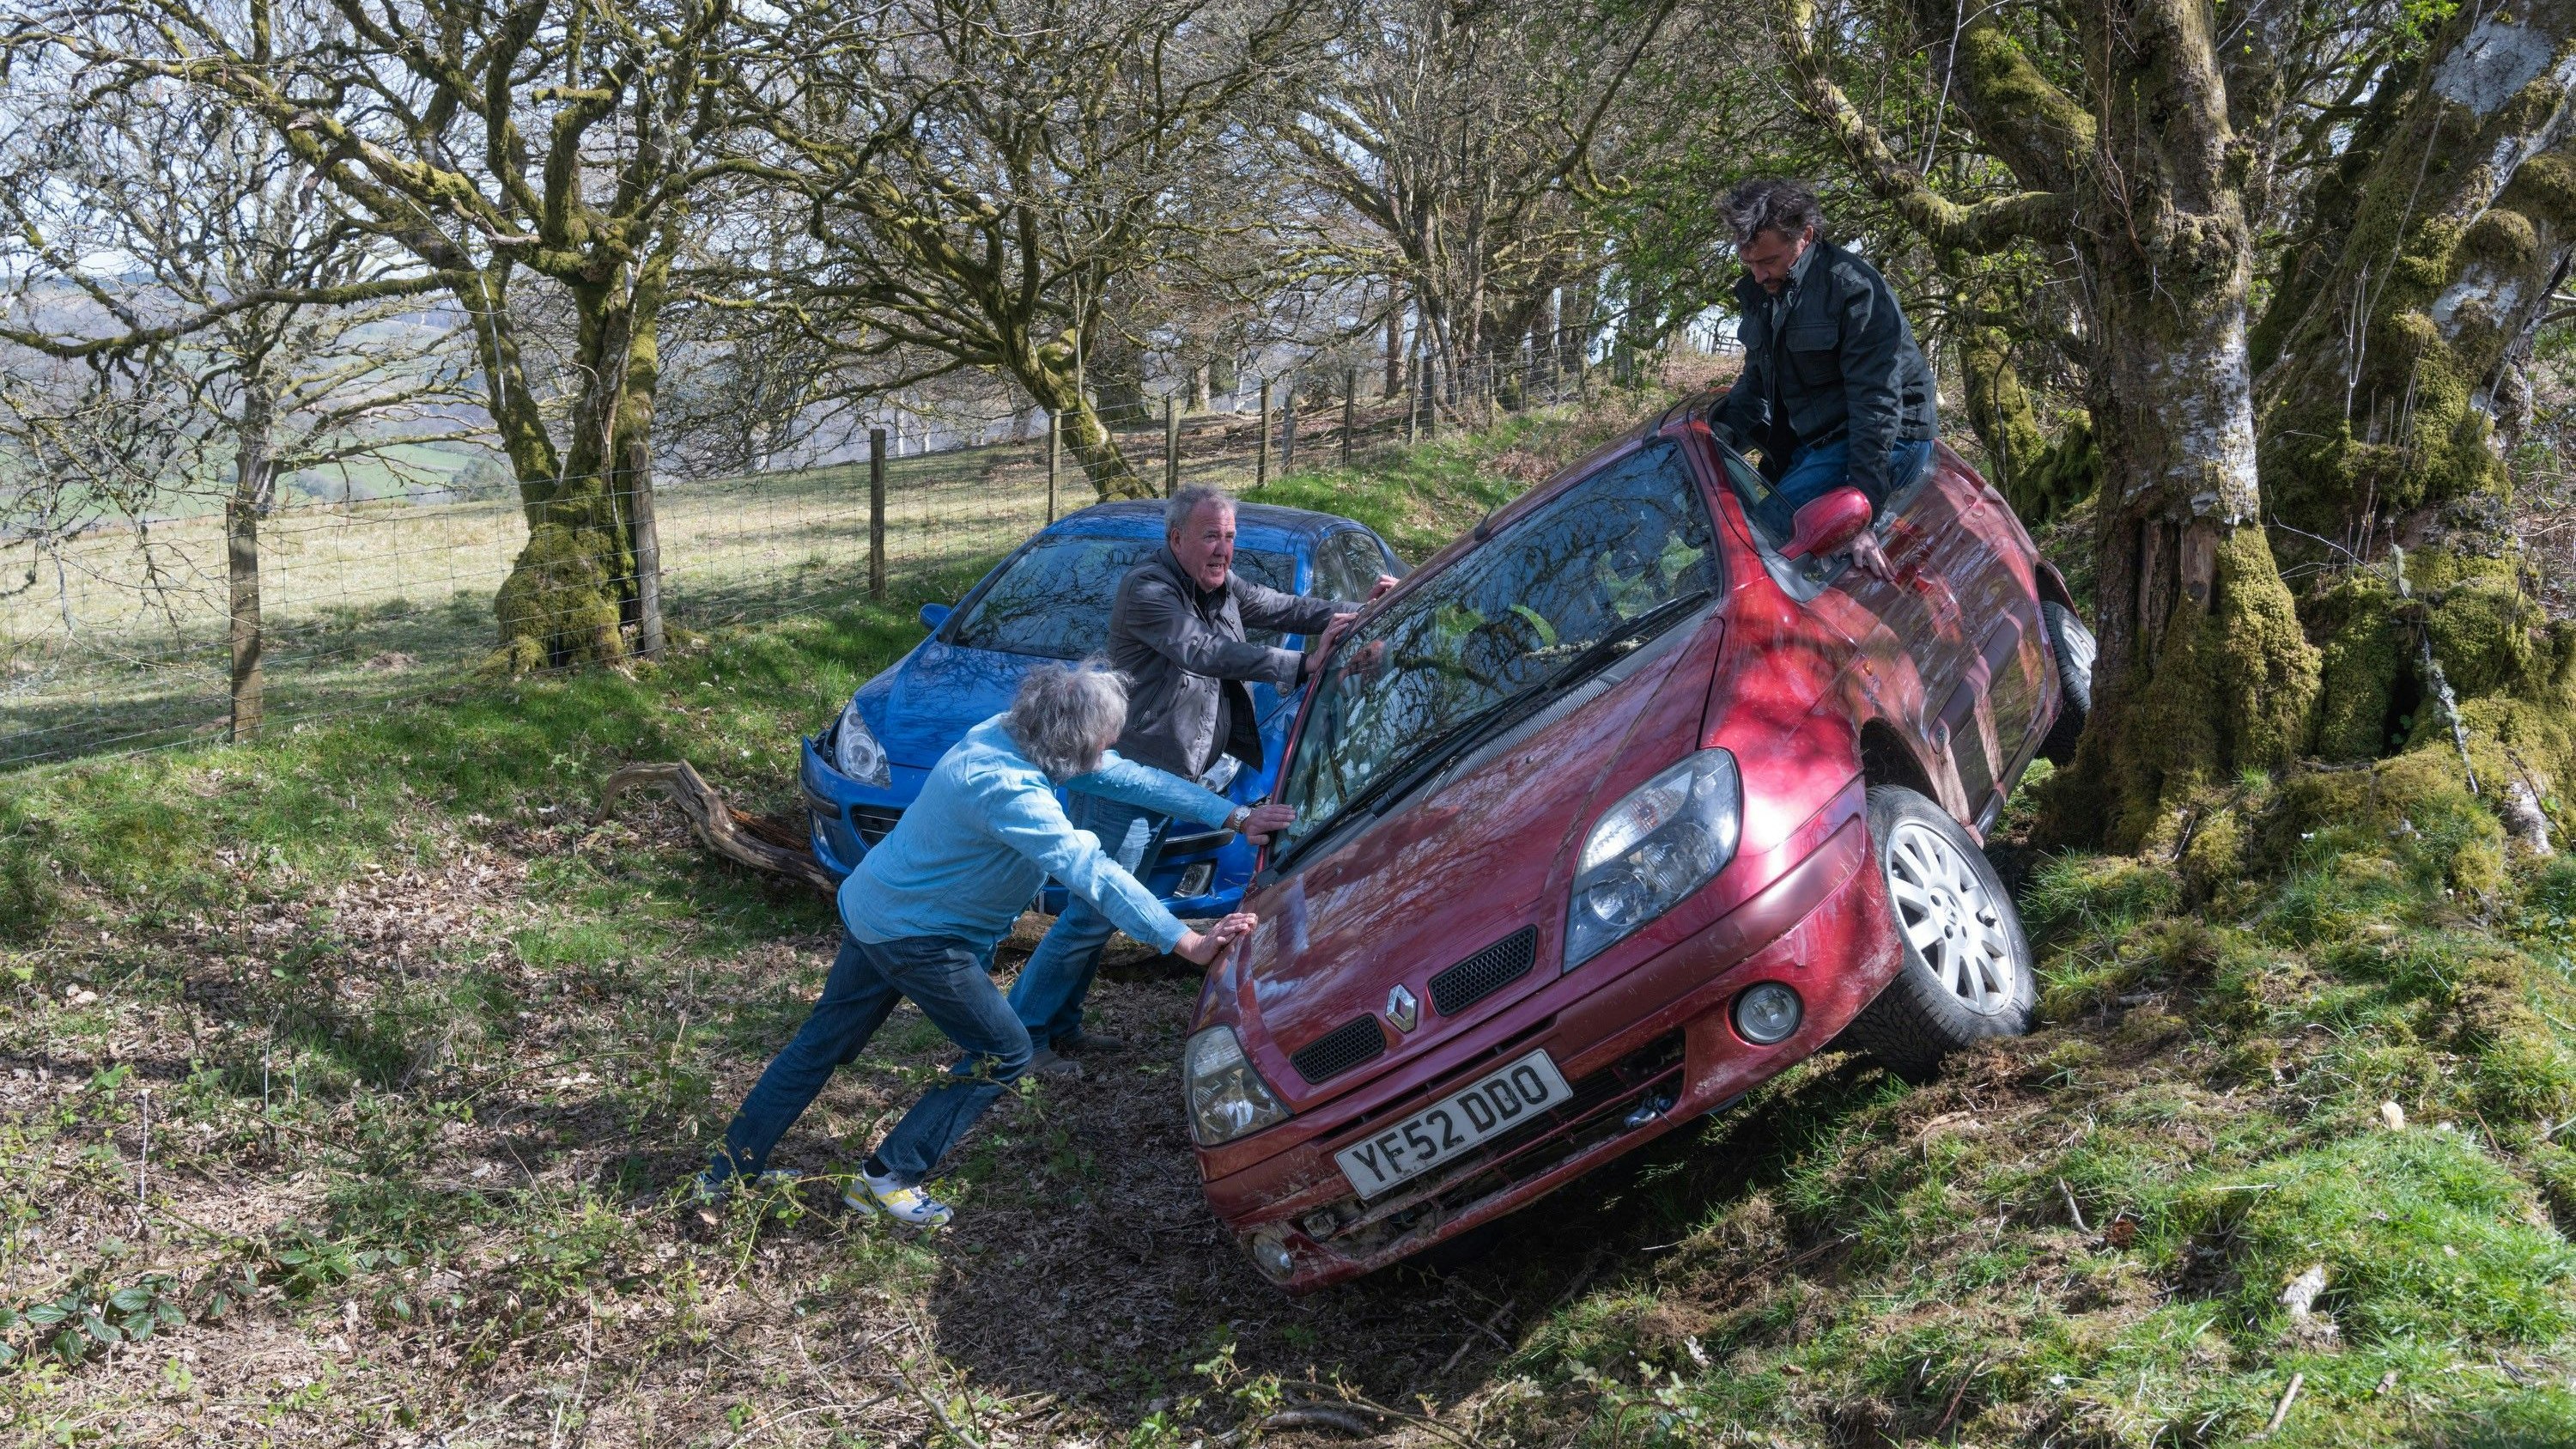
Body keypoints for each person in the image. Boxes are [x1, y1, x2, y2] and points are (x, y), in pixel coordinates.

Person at [696, 661, 1272, 1227]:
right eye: (1098, 748)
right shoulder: (1007, 789)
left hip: (875, 906)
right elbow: (1090, 870)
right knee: (1006, 1049)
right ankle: (889, 1177)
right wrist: (1186, 940)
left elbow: (1126, 776)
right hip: (918, 938)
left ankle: (727, 1173)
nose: (1104, 758)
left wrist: (1231, 812)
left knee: (818, 1044)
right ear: (1066, 745)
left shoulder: (1011, 730)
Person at [1008, 485, 1392, 1075]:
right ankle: (1023, 1036)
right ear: (1176, 539)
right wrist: (1301, 664)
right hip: (1125, 779)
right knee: (1092, 911)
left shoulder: (1217, 585)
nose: (1224, 549)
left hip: (1168, 776)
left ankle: (1062, 1024)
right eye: (1211, 535)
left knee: (1107, 908)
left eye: (1230, 536)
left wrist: (1353, 615)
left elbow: (1279, 605)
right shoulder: (1150, 590)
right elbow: (1202, 651)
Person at [1707, 178, 1939, 577]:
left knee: (1766, 534)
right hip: (1825, 440)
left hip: (1892, 439)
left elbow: (1878, 406)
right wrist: (1719, 432)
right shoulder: (1765, 293)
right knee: (1735, 524)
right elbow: (1756, 380)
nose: (1760, 276)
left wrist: (1861, 509)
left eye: (1769, 262)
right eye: (1750, 264)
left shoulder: (1855, 291)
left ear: (1806, 237)